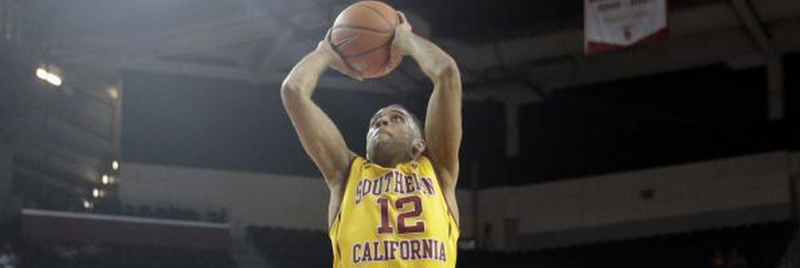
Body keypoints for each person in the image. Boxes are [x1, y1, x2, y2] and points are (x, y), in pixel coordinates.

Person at [281, 12, 462, 268]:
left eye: (396, 118)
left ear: (419, 145)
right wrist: (325, 53)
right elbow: (293, 91)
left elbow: (447, 73)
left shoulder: (437, 170)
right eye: (375, 122)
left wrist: (405, 39)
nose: (382, 122)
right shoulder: (346, 174)